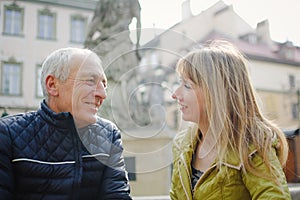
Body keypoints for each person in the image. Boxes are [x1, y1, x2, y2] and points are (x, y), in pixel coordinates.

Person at [0, 47, 132, 199]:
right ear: (52, 85)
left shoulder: (109, 134)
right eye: (90, 81)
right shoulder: (7, 135)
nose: (102, 94)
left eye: (104, 84)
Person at [170, 40, 291, 199]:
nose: (175, 95)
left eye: (187, 86)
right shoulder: (182, 144)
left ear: (215, 92)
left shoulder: (253, 145)